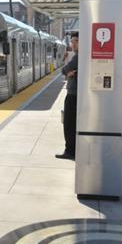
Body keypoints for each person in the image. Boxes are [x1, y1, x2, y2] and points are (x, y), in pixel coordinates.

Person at [56, 32, 78, 160]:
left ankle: (70, 151)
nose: (73, 44)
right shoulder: (76, 56)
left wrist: (67, 70)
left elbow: (64, 70)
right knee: (71, 124)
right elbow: (66, 71)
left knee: (69, 124)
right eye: (72, 41)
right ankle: (71, 149)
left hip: (73, 95)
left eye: (76, 41)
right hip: (75, 94)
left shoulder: (77, 57)